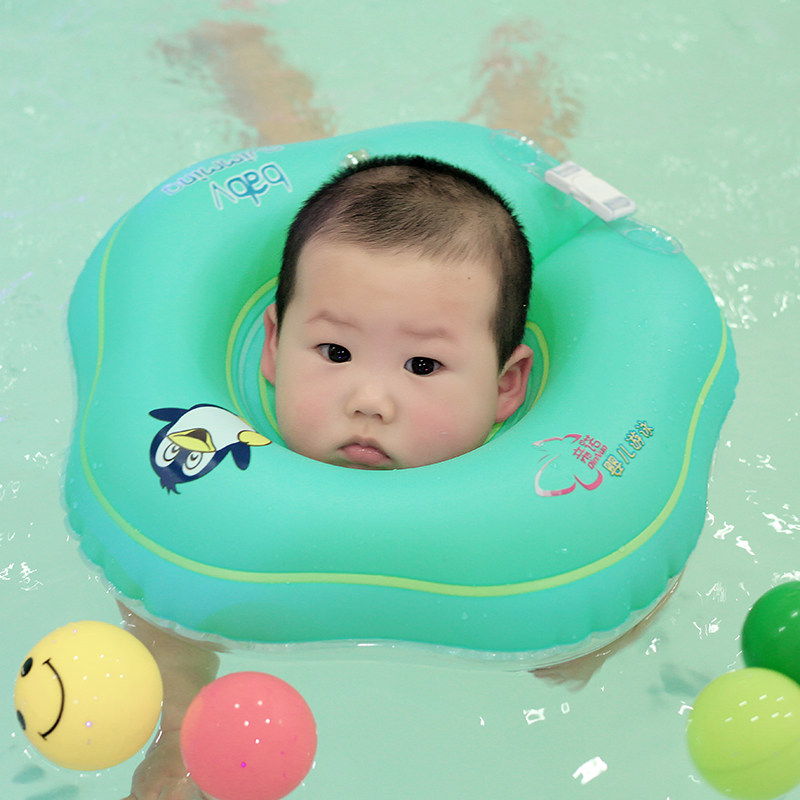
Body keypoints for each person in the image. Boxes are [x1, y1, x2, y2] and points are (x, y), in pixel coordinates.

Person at [123, 155, 534, 800]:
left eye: (422, 365)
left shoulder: (528, 509)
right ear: (272, 346)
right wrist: (179, 724)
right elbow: (160, 599)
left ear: (506, 386)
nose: (370, 400)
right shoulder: (219, 498)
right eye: (336, 352)